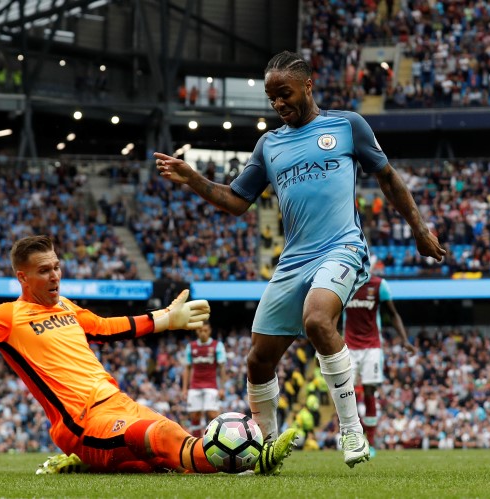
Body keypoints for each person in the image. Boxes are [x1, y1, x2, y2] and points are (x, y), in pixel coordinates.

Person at [154, 50, 445, 468]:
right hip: (293, 261)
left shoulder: (347, 126)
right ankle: (266, 449)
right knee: (258, 361)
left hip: (342, 247)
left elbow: (387, 176)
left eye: (284, 94)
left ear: (308, 85)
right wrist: (194, 179)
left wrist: (419, 229)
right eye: (271, 98)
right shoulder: (269, 145)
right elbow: (237, 201)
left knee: (316, 320)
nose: (278, 104)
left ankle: (351, 430)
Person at [0, 235, 297, 474]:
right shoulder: (6, 318)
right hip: (82, 423)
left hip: (114, 401)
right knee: (158, 436)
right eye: (44, 270)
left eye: (58, 266)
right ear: (22, 277)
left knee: (165, 445)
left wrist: (165, 318)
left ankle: (196, 461)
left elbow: (106, 327)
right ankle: (249, 463)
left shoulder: (67, 307)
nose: (55, 275)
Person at [343, 273, 414, 457]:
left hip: (372, 347)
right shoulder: (344, 282)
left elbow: (393, 314)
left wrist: (404, 340)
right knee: (345, 392)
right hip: (348, 347)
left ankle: (371, 442)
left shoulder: (379, 285)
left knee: (369, 391)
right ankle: (351, 436)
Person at [182, 321, 227, 437]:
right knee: (195, 416)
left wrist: (222, 388)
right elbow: (187, 368)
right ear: (197, 331)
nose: (203, 333)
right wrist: (184, 389)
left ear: (210, 331)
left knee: (213, 415)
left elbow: (222, 368)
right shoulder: (191, 346)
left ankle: (214, 440)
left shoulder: (217, 345)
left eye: (205, 330)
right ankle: (197, 442)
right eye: (200, 330)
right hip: (195, 385)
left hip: (211, 385)